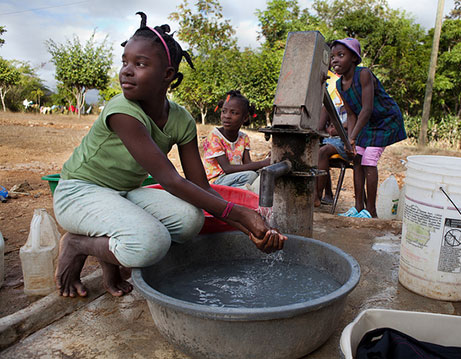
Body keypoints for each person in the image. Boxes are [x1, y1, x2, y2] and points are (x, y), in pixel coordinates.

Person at [53, 12, 286, 298]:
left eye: (140, 64)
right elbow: (171, 180)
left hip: (124, 193)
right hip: (79, 193)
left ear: (167, 75)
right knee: (150, 243)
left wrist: (246, 229)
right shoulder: (123, 112)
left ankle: (110, 252)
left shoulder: (181, 119)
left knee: (190, 220)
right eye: (125, 62)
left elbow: (200, 186)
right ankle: (77, 244)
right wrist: (240, 214)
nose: (126, 70)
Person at [331, 38, 406, 218]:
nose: (335, 60)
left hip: (384, 120)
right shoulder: (339, 85)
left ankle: (370, 211)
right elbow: (351, 115)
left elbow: (367, 108)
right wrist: (350, 140)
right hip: (366, 122)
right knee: (357, 159)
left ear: (354, 59)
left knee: (369, 161)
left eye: (341, 55)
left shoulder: (364, 74)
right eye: (333, 56)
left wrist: (352, 137)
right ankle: (358, 208)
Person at [202, 90, 270, 190]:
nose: (227, 116)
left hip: (236, 178)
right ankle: (233, 196)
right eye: (224, 111)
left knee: (259, 176)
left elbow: (248, 164)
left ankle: (240, 192)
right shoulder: (214, 136)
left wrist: (267, 160)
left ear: (245, 117)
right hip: (216, 181)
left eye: (233, 113)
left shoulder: (244, 138)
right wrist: (264, 163)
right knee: (251, 176)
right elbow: (227, 168)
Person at [314, 70, 349, 207]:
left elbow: (353, 123)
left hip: (348, 142)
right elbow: (320, 127)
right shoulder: (331, 104)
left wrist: (339, 129)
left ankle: (316, 195)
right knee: (316, 149)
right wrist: (327, 130)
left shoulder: (354, 104)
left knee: (322, 152)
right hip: (331, 140)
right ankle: (318, 194)